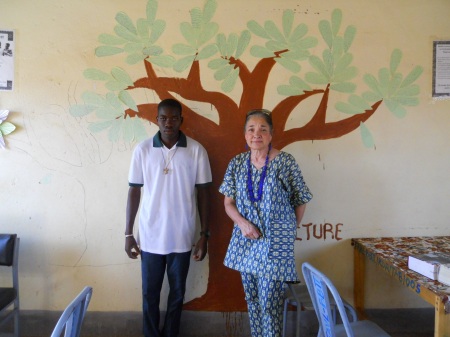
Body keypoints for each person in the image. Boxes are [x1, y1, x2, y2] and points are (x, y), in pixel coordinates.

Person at [219, 109, 313, 337]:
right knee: (252, 299)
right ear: (245, 135)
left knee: (270, 302)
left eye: (263, 129)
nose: (256, 134)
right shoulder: (237, 163)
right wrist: (242, 223)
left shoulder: (285, 162)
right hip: (246, 240)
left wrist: (288, 231)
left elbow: (301, 200)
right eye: (251, 129)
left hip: (275, 244)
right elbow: (228, 202)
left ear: (271, 134)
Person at [125, 98, 212, 337]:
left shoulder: (196, 151)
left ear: (181, 120)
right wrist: (128, 234)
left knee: (177, 294)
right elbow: (134, 190)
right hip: (150, 236)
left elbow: (205, 193)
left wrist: (204, 235)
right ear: (156, 120)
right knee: (149, 294)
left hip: (182, 236)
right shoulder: (142, 150)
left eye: (174, 118)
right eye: (163, 118)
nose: (168, 123)